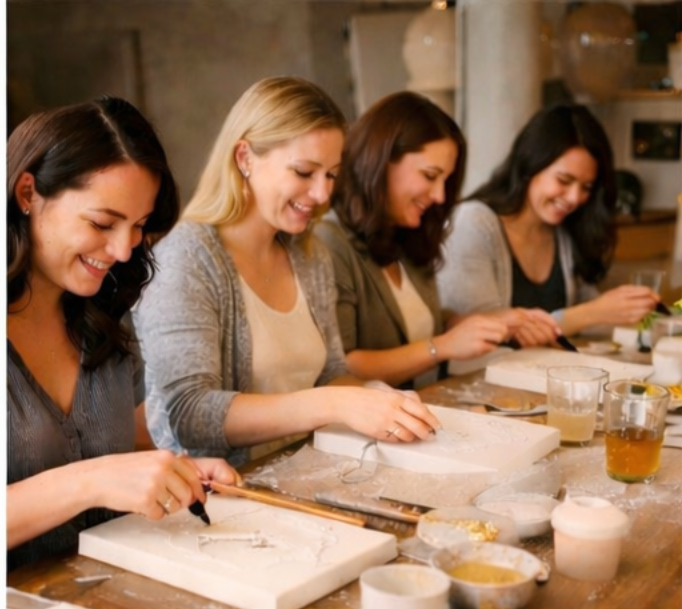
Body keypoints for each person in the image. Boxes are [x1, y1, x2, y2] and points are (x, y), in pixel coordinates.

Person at [133, 77, 440, 467]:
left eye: (331, 174)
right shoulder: (185, 260)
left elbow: (330, 373)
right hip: (219, 501)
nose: (322, 195)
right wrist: (335, 403)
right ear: (244, 157)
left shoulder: (309, 254)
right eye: (303, 172)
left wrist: (377, 397)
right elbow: (190, 416)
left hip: (302, 477)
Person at [7, 96, 240, 570]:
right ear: (28, 194)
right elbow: (95, 469)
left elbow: (116, 442)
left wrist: (176, 470)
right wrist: (89, 481)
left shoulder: (104, 318)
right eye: (101, 222)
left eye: (136, 226)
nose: (121, 250)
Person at [314, 91, 560, 389]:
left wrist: (482, 323)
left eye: (445, 180)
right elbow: (343, 367)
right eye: (430, 176)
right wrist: (442, 346)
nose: (440, 196)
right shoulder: (330, 240)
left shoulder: (407, 234)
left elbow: (415, 320)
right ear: (380, 160)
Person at [437, 103, 660, 337]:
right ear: (530, 166)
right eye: (564, 180)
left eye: (586, 187)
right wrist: (593, 312)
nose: (575, 198)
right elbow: (484, 331)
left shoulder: (562, 231)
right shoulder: (473, 223)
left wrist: (634, 315)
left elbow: (592, 317)